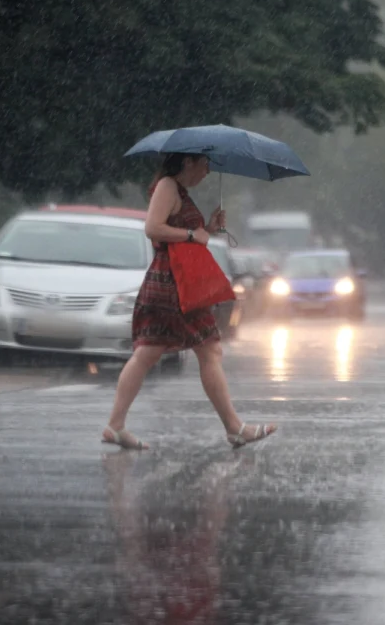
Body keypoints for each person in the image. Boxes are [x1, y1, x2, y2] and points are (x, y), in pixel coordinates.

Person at [102, 153, 277, 450]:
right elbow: (153, 228)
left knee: (160, 352)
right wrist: (193, 234)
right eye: (205, 164)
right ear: (188, 162)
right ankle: (234, 428)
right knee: (198, 351)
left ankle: (116, 425)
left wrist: (208, 228)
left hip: (177, 281)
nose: (207, 172)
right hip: (173, 284)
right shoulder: (168, 186)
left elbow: (184, 235)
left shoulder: (177, 190)